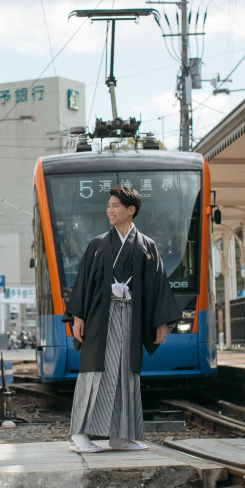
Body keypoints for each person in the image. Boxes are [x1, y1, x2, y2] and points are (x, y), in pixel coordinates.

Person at [63, 185, 181, 453]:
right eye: (108, 206)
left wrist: (161, 321)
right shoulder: (98, 245)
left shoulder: (147, 246)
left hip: (130, 317)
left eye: (115, 206)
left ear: (131, 210)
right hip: (99, 318)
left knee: (125, 373)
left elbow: (158, 285)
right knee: (94, 372)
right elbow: (83, 283)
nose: (110, 210)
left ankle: (121, 435)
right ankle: (80, 434)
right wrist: (77, 316)